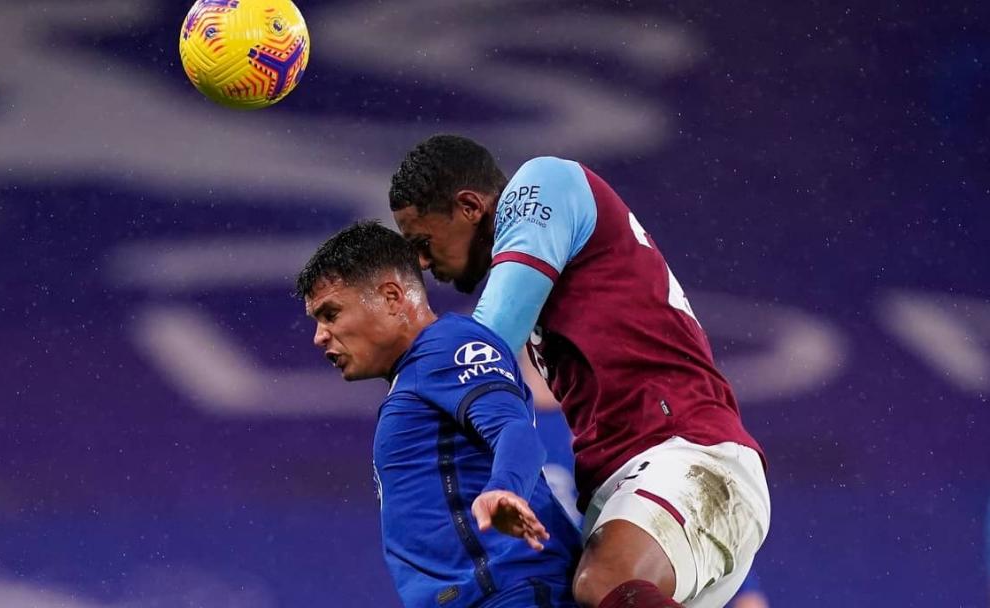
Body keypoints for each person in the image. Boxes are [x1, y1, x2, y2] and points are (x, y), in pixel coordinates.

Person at [389, 135, 771, 608]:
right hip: (626, 493)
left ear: (469, 206)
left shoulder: (545, 183)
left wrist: (407, 380)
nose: (423, 264)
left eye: (422, 243)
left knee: (602, 579)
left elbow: (484, 350)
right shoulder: (549, 279)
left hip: (687, 453)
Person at [295, 221, 582, 608]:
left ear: (392, 296)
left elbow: (514, 429)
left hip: (509, 593)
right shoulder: (418, 373)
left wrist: (506, 489)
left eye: (331, 313)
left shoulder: (448, 347)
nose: (319, 335)